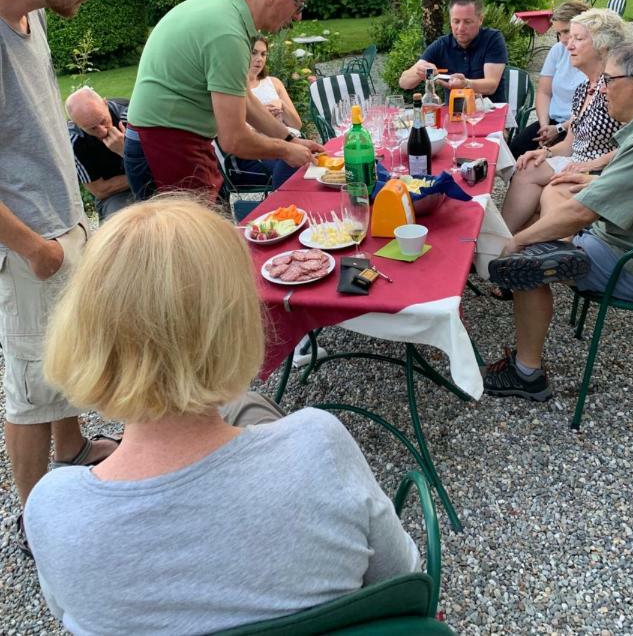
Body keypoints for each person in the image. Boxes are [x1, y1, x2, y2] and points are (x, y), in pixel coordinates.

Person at [24, 197, 420, 634]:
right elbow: (403, 580)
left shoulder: (52, 510)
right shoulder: (318, 445)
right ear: (236, 322)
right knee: (253, 412)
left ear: (84, 331)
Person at [0, 0, 130, 550]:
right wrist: (31, 247)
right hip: (27, 243)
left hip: (60, 220)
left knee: (61, 361)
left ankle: (74, 448)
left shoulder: (31, 18)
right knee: (27, 386)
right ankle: (35, 519)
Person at [483, 40, 633, 401]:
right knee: (557, 201)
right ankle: (566, 248)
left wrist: (518, 240)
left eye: (609, 80)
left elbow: (584, 212)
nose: (603, 89)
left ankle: (526, 374)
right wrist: (594, 181)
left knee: (527, 257)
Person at [124, 0, 322, 201]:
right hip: (163, 146)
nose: (298, 16)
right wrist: (285, 151)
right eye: (298, 5)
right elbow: (233, 139)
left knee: (212, 233)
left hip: (169, 140)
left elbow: (244, 98)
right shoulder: (228, 34)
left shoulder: (225, 10)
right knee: (194, 239)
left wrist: (288, 138)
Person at [500, 8, 626, 239]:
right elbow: (570, 143)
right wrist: (545, 153)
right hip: (575, 160)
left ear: (603, 45)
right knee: (527, 166)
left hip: (603, 170)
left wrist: (591, 165)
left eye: (578, 39)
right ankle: (501, 240)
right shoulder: (583, 89)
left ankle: (549, 252)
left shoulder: (618, 88)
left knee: (551, 191)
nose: (568, 45)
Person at [509, 1, 588, 159]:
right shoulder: (558, 50)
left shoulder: (593, 56)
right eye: (559, 33)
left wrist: (559, 129)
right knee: (515, 149)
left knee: (540, 162)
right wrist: (545, 126)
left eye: (567, 31)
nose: (564, 39)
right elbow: (544, 92)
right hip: (553, 121)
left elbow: (589, 108)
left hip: (579, 126)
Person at [222, 37, 302, 191]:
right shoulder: (233, 89)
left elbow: (297, 125)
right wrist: (263, 120)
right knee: (293, 163)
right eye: (254, 53)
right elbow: (234, 135)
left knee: (313, 157)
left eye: (263, 54)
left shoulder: (273, 82)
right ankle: (285, 208)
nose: (259, 59)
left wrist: (282, 105)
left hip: (290, 140)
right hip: (258, 152)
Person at [399, 0, 508, 102]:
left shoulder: (492, 39)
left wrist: (466, 84)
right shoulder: (442, 45)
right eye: (456, 21)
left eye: (467, 22)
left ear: (480, 20)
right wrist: (423, 72)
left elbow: (491, 85)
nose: (460, 28)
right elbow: (404, 82)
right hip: (454, 115)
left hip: (491, 112)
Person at [65, 87, 134, 221]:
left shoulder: (130, 114)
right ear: (76, 124)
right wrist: (141, 173)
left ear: (105, 103)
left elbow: (161, 161)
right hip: (116, 195)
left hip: (151, 179)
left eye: (103, 121)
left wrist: (125, 151)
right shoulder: (74, 141)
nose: (102, 132)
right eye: (92, 128)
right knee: (119, 224)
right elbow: (100, 190)